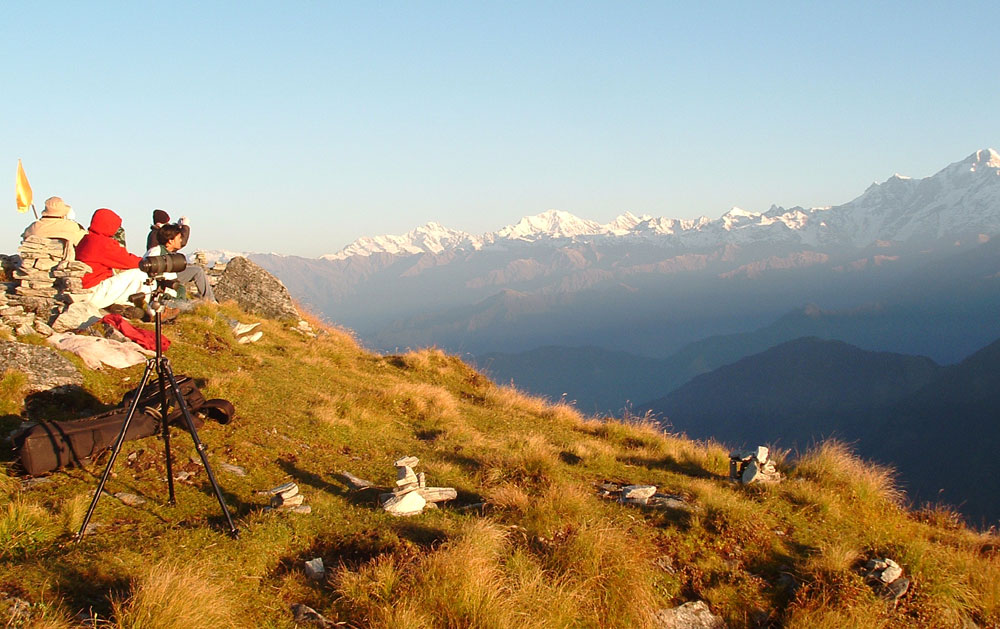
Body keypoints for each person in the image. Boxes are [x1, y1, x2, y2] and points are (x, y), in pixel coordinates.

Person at [75, 208, 154, 310]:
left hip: (85, 291)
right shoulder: (102, 243)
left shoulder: (87, 239)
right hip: (93, 293)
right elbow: (128, 261)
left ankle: (123, 307)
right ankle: (146, 310)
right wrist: (150, 262)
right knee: (139, 273)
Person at [144, 223, 216, 302]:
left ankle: (211, 301)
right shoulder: (156, 252)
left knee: (197, 270)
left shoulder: (169, 252)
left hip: (172, 277)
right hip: (163, 284)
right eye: (179, 238)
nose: (181, 240)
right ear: (170, 241)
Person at [20, 197, 87, 252]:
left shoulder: (33, 227)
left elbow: (24, 238)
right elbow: (85, 240)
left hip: (33, 265)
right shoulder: (71, 226)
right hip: (62, 264)